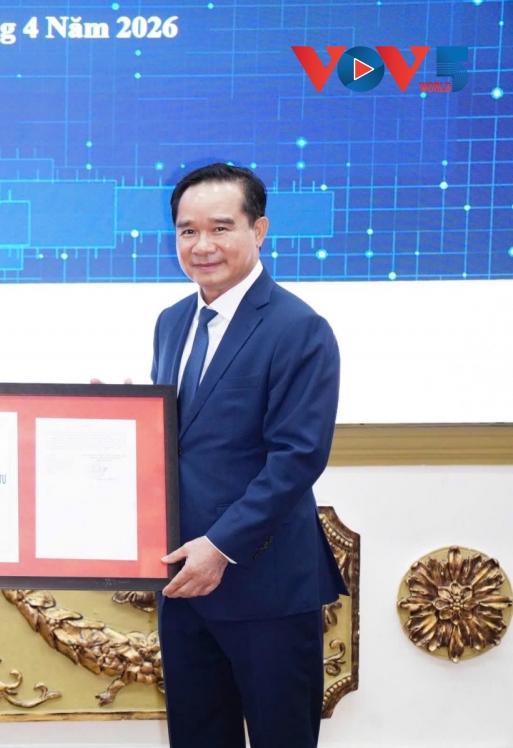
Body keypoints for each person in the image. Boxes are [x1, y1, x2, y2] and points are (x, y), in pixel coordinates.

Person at [151, 163, 347, 748]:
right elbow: (185, 441)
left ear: (258, 230)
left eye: (221, 227)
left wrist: (220, 547)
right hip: (184, 585)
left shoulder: (298, 327)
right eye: (188, 231)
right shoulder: (172, 322)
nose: (202, 245)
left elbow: (297, 457)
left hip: (264, 585)